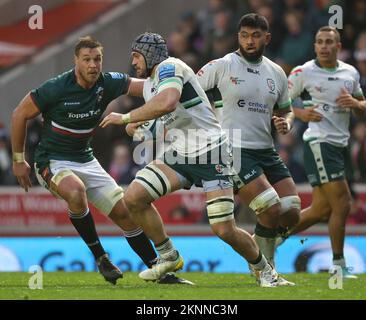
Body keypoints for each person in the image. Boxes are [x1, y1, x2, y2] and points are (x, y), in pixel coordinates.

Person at [100, 32, 280, 287]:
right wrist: (139, 127)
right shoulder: (152, 84)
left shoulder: (170, 67)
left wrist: (127, 118)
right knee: (133, 197)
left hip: (211, 152)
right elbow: (158, 115)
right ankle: (168, 255)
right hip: (180, 154)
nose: (134, 63)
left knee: (224, 230)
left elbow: (169, 102)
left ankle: (266, 271)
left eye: (136, 57)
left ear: (149, 55)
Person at [11, 36, 192, 285]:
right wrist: (19, 159)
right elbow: (20, 113)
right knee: (76, 191)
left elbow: (150, 87)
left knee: (126, 214)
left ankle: (159, 271)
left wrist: (180, 83)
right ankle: (101, 257)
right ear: (76, 61)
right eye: (87, 60)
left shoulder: (108, 83)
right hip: (52, 161)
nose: (93, 65)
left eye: (97, 59)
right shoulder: (56, 87)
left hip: (86, 160)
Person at [197, 13, 300, 286]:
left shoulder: (276, 73)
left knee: (292, 210)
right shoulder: (223, 65)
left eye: (255, 35)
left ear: (266, 38)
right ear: (238, 37)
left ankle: (257, 247)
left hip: (266, 149)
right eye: (244, 35)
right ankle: (267, 272)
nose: (249, 41)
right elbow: (188, 90)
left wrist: (285, 123)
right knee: (269, 207)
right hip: (234, 148)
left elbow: (287, 111)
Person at [283, 26, 366, 278]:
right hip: (319, 143)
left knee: (321, 209)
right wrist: (300, 113)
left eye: (329, 42)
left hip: (341, 145)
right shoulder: (303, 72)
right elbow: (279, 104)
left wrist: (355, 104)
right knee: (343, 203)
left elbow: (363, 107)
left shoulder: (350, 72)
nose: (323, 46)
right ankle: (338, 265)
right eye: (319, 42)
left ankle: (269, 238)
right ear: (315, 46)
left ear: (338, 46)